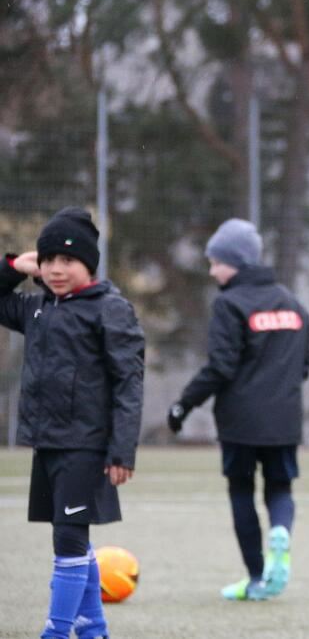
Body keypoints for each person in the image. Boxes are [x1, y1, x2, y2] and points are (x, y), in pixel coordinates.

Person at [0, 207, 145, 639]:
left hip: (87, 444)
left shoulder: (111, 310)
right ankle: (92, 627)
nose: (57, 270)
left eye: (68, 261)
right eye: (48, 261)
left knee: (67, 539)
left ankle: (56, 631)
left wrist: (122, 450)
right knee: (70, 539)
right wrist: (13, 265)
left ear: (89, 265)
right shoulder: (39, 308)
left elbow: (129, 384)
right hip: (49, 443)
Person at [166, 218, 309, 602]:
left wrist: (184, 404)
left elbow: (220, 367)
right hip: (284, 420)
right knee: (280, 487)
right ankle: (280, 531)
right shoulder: (291, 302)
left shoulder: (229, 304)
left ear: (237, 261)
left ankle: (256, 578)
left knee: (242, 492)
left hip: (241, 423)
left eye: (216, 262)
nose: (212, 269)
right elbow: (305, 364)